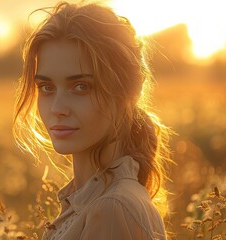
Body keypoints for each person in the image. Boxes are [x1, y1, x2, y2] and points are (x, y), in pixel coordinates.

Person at [13, 1, 172, 239]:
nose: (57, 108)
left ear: (128, 93)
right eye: (46, 87)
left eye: (80, 86)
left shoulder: (112, 208)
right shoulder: (90, 202)